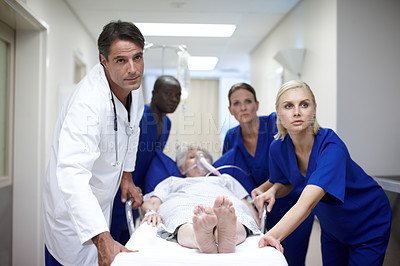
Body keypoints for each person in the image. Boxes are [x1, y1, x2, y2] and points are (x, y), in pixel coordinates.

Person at [254, 80, 392, 266]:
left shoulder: (331, 147)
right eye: (288, 106)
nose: (297, 112)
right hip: (333, 227)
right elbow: (286, 182)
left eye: (304, 104)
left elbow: (306, 203)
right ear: (278, 113)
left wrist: (270, 237)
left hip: (367, 219)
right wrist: (273, 191)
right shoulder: (277, 148)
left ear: (314, 109)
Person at [42, 20, 146, 266]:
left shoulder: (133, 84)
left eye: (138, 57)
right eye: (121, 60)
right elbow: (71, 174)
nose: (133, 68)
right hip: (72, 218)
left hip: (101, 202)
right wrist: (102, 239)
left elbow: (134, 128)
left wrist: (127, 176)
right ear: (104, 61)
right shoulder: (87, 104)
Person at [218, 82, 313, 265]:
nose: (243, 107)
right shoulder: (232, 137)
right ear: (230, 110)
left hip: (293, 205)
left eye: (248, 101)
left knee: (293, 260)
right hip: (261, 213)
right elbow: (230, 176)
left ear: (257, 104)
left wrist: (264, 188)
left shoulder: (274, 124)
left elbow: (293, 168)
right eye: (236, 104)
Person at [140, 143, 262, 253]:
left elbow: (245, 203)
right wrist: (150, 212)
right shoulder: (172, 182)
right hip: (184, 203)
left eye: (203, 156)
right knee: (182, 220)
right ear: (182, 169)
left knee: (238, 217)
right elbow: (153, 202)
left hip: (222, 204)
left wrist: (257, 220)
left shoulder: (225, 179)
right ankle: (199, 237)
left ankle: (227, 235)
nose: (199, 159)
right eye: (192, 157)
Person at [111, 75, 181, 245]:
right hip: (118, 188)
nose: (174, 100)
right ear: (154, 93)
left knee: (128, 237)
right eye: (168, 94)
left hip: (138, 191)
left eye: (177, 95)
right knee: (111, 236)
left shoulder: (167, 123)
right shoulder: (138, 117)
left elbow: (154, 159)